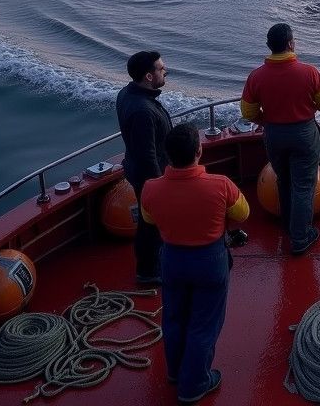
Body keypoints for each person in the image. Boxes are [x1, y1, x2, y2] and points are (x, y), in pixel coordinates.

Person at [139, 124, 250, 404]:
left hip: (172, 260)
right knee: (204, 323)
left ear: (168, 155)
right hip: (209, 261)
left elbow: (149, 219)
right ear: (199, 151)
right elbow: (243, 214)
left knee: (174, 317)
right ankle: (194, 385)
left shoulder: (150, 188)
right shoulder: (221, 185)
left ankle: (175, 372)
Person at [240, 23, 320, 256]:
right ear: (291, 44)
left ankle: (287, 225)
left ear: (269, 46)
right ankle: (300, 237)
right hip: (303, 134)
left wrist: (267, 121)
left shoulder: (256, 76)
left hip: (274, 134)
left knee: (284, 180)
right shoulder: (310, 72)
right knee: (303, 185)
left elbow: (248, 113)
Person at [116, 50, 173, 285]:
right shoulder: (143, 111)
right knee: (151, 225)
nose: (165, 71)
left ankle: (151, 265)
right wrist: (160, 186)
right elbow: (147, 155)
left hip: (137, 170)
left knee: (148, 222)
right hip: (149, 177)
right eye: (161, 69)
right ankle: (149, 272)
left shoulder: (127, 93)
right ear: (148, 77)